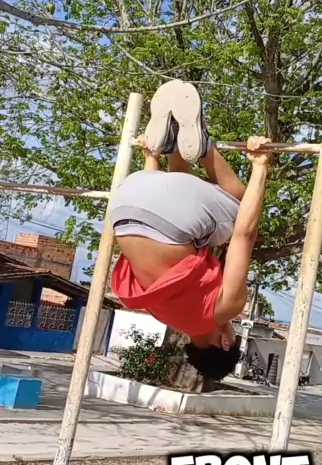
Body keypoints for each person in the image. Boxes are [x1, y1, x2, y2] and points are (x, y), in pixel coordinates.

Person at [109, 79, 271, 381]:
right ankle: (169, 144)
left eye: (233, 336)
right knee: (191, 229)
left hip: (171, 217)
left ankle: (203, 147)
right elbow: (146, 231)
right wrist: (150, 158)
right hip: (127, 200)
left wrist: (259, 167)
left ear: (224, 343)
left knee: (239, 205)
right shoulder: (160, 313)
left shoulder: (225, 308)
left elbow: (244, 235)